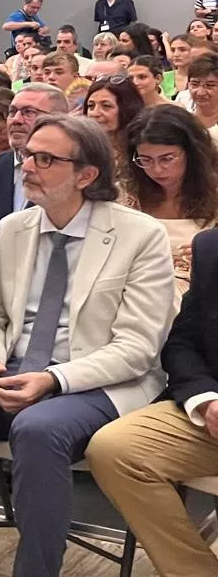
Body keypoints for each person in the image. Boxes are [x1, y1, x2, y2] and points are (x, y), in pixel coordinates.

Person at [0, 115, 176, 577]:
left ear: (86, 174)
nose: (28, 166)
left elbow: (138, 347)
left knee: (38, 429)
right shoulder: (13, 228)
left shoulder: (139, 235)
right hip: (13, 367)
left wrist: (52, 379)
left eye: (46, 159)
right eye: (27, 156)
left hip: (95, 380)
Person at [85, 226, 218, 577]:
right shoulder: (211, 247)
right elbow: (183, 343)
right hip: (212, 412)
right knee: (115, 449)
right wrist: (206, 400)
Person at [126, 105, 218, 291]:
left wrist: (210, 254)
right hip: (140, 290)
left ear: (191, 152)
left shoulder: (214, 192)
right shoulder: (126, 196)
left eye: (167, 159)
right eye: (145, 160)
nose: (157, 170)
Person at [0, 84, 70, 237]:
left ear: (60, 119)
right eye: (12, 112)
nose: (16, 120)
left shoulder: (74, 171)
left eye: (28, 112)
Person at [83, 74, 145, 180]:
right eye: (91, 106)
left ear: (127, 109)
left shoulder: (142, 150)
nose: (95, 113)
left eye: (106, 106)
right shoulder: (80, 149)